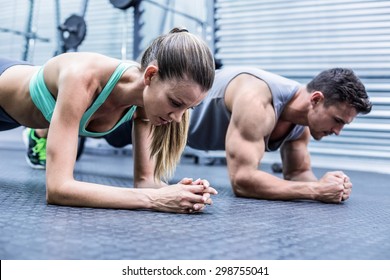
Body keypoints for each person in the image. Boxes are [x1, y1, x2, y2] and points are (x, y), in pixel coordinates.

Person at [0, 27, 217, 213]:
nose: (178, 119)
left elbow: (145, 182)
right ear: (150, 75)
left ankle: (41, 131)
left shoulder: (146, 105)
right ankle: (39, 134)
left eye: (189, 108)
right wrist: (155, 199)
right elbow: (58, 189)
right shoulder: (82, 78)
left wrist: (184, 192)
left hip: (19, 114)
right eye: (176, 103)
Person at [102, 67, 372, 204]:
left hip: (181, 135)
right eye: (338, 120)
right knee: (105, 127)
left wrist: (329, 186)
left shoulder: (302, 123)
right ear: (316, 99)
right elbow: (243, 181)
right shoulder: (258, 99)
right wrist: (315, 190)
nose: (337, 131)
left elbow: (299, 174)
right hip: (157, 117)